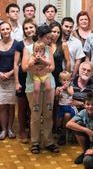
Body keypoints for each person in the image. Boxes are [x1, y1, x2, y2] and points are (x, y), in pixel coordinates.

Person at [22, 25, 59, 154]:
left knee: (48, 114)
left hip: (49, 84)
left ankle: (48, 141)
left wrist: (41, 69)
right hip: (33, 86)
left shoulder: (48, 49)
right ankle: (35, 142)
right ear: (39, 37)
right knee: (36, 115)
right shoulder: (27, 49)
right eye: (47, 37)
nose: (49, 40)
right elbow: (25, 67)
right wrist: (37, 68)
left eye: (50, 37)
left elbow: (52, 67)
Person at [66, 92, 93, 169]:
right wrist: (86, 130)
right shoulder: (83, 112)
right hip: (92, 140)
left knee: (87, 162)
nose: (90, 106)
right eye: (88, 104)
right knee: (78, 124)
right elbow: (68, 124)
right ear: (84, 105)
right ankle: (85, 152)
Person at [0, 21, 18, 140]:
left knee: (11, 105)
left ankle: (10, 128)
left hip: (12, 78)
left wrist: (9, 73)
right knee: (2, 106)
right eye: (2, 29)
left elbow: (18, 63)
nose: (5, 31)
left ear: (11, 30)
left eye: (7, 29)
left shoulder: (16, 44)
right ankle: (3, 130)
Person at [14, 18, 36, 143]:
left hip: (36, 78)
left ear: (35, 28)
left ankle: (32, 130)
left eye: (31, 27)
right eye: (26, 28)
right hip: (23, 78)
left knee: (33, 107)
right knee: (22, 107)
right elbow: (16, 64)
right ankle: (22, 130)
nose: (29, 30)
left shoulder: (39, 43)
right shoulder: (19, 44)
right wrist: (16, 82)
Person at [54, 71, 76, 143]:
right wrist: (59, 92)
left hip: (68, 106)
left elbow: (71, 93)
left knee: (68, 116)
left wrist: (66, 89)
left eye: (67, 80)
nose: (66, 82)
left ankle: (66, 130)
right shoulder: (58, 88)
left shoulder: (70, 87)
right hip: (61, 106)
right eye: (64, 80)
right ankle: (58, 128)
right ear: (60, 80)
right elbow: (56, 94)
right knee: (59, 119)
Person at [30, 40, 53, 112]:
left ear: (44, 51)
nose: (38, 53)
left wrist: (42, 60)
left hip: (45, 75)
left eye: (40, 51)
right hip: (37, 76)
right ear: (33, 51)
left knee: (48, 88)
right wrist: (34, 60)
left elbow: (50, 63)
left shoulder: (45, 57)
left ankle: (49, 103)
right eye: (36, 51)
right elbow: (29, 64)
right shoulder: (32, 57)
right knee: (36, 90)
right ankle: (36, 104)